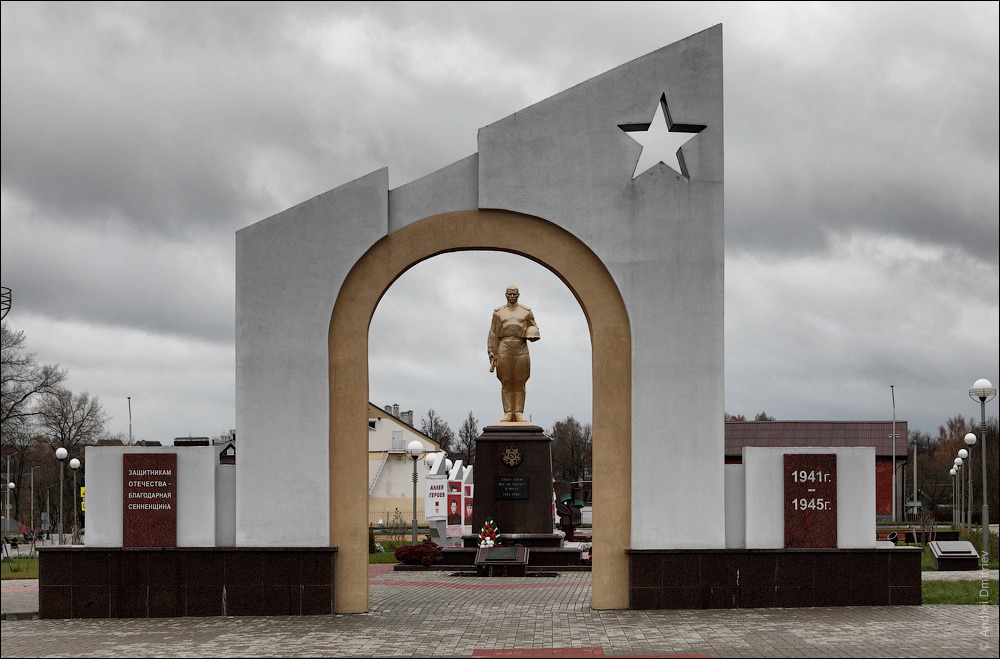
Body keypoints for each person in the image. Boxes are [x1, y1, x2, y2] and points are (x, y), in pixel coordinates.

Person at [487, 285, 540, 422]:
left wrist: (532, 332)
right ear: (505, 294)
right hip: (504, 347)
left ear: (518, 294)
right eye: (509, 293)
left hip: (520, 347)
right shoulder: (498, 312)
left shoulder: (526, 311)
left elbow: (534, 325)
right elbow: (493, 332)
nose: (512, 296)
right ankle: (508, 412)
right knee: (507, 382)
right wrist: (492, 351)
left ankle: (519, 412)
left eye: (514, 294)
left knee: (520, 381)